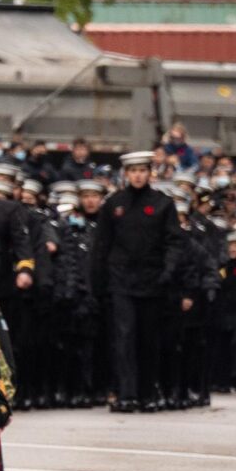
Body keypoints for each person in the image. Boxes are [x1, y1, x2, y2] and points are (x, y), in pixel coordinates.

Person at [89, 150, 175, 412]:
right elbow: (101, 245)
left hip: (152, 281)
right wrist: (98, 282)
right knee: (124, 339)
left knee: (148, 340)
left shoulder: (162, 203)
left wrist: (168, 271)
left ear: (150, 173)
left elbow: (173, 241)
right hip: (121, 281)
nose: (138, 175)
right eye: (133, 171)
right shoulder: (115, 203)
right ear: (126, 174)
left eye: (142, 170)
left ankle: (148, 393)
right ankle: (126, 393)